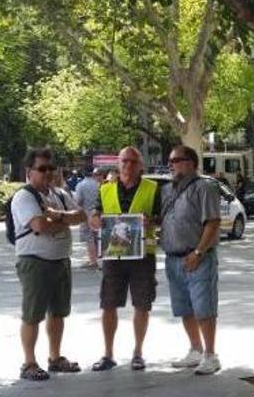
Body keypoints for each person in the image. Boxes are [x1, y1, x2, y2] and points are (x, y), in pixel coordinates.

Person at [11, 149, 86, 381]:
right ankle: (29, 363)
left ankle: (55, 358)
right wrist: (64, 220)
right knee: (32, 315)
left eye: (51, 168)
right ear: (29, 171)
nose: (48, 173)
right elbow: (39, 226)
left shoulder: (60, 193)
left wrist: (56, 215)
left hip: (60, 261)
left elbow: (81, 215)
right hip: (35, 263)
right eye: (42, 168)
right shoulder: (24, 197)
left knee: (58, 313)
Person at [88, 147, 161, 372]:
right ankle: (108, 354)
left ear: (140, 165)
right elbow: (94, 215)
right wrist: (95, 220)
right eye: (124, 161)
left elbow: (162, 217)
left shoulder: (153, 188)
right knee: (108, 304)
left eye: (132, 161)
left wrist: (153, 221)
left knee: (142, 304)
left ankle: (138, 353)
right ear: (118, 164)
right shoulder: (105, 188)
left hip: (142, 255)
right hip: (114, 255)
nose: (128, 165)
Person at [162, 145, 223, 375]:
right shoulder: (167, 190)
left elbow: (213, 222)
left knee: (204, 307)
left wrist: (198, 252)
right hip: (173, 257)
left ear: (191, 163)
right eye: (170, 160)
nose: (171, 164)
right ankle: (195, 350)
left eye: (176, 160)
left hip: (198, 257)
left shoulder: (205, 187)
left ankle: (210, 354)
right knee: (184, 307)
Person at [74, 167, 105, 269]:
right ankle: (102, 260)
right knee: (101, 237)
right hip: (101, 214)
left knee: (89, 238)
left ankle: (93, 261)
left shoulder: (81, 185)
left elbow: (78, 201)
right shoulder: (101, 184)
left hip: (87, 215)